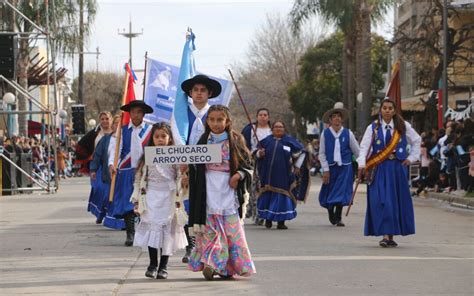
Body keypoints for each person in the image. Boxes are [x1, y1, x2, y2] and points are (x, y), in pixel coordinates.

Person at [187, 104, 256, 280]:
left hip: (228, 190)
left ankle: (229, 267)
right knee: (210, 229)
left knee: (231, 230)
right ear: (207, 121)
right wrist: (187, 172)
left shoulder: (235, 140)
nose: (216, 123)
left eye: (220, 119)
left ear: (227, 121)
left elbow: (248, 165)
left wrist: (238, 175)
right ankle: (213, 264)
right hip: (207, 189)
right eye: (212, 119)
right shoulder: (203, 140)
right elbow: (194, 165)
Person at [357, 99, 421, 248]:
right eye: (384, 108)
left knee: (394, 201)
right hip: (378, 168)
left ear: (394, 111)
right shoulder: (372, 128)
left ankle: (388, 236)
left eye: (390, 108)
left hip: (397, 169)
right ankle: (385, 234)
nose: (387, 110)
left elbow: (417, 140)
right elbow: (364, 147)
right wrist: (361, 164)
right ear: (381, 110)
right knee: (381, 200)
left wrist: (411, 158)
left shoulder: (402, 126)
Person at [131, 122, 187, 280]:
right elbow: (138, 179)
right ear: (152, 139)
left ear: (169, 138)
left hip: (169, 197)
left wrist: (183, 173)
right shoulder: (147, 157)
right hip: (151, 197)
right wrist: (136, 198)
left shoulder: (175, 156)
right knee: (152, 230)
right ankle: (152, 264)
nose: (160, 139)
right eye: (157, 136)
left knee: (167, 232)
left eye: (164, 136)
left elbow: (180, 177)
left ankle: (163, 266)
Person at [177, 74, 222, 263]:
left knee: (208, 207)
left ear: (209, 93)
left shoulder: (216, 114)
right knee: (188, 207)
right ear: (190, 93)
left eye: (203, 90)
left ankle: (211, 246)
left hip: (211, 170)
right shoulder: (181, 114)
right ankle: (191, 245)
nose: (199, 93)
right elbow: (177, 139)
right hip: (187, 168)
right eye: (195, 90)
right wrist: (183, 167)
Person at [108, 100, 154, 246]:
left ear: (143, 114)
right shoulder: (121, 131)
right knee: (128, 202)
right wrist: (112, 164)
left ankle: (147, 232)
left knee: (146, 201)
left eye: (139, 112)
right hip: (127, 171)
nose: (136, 115)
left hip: (147, 170)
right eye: (133, 112)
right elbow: (115, 149)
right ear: (129, 114)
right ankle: (130, 233)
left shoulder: (150, 130)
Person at [256, 120, 307, 230]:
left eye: (281, 127)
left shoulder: (290, 141)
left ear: (284, 129)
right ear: (272, 129)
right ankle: (268, 220)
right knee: (268, 197)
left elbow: (302, 152)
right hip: (267, 176)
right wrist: (259, 153)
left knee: (282, 197)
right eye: (276, 127)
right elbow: (255, 153)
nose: (278, 129)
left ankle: (281, 222)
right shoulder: (266, 141)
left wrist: (297, 166)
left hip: (284, 175)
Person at [318, 102, 360, 227]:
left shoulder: (348, 133)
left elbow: (356, 151)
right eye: (334, 116)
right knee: (330, 190)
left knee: (342, 191)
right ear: (330, 120)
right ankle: (331, 211)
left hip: (345, 167)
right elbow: (322, 153)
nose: (337, 118)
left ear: (341, 119)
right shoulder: (325, 134)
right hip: (330, 168)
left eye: (339, 116)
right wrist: (325, 169)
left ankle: (339, 216)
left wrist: (362, 164)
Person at [88, 115, 124, 227]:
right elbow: (97, 155)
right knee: (107, 196)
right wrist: (93, 169)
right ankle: (103, 214)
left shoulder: (126, 139)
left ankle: (120, 220)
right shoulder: (105, 139)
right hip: (107, 172)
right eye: (116, 123)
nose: (118, 126)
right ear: (113, 126)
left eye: (120, 123)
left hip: (123, 173)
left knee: (119, 197)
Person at [241, 108, 272, 225]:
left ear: (268, 117)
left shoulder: (272, 130)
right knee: (254, 189)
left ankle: (268, 213)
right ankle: (256, 213)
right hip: (254, 163)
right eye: (260, 115)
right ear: (257, 116)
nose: (263, 117)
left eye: (265, 115)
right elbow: (243, 145)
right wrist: (256, 153)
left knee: (267, 188)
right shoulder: (250, 130)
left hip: (270, 165)